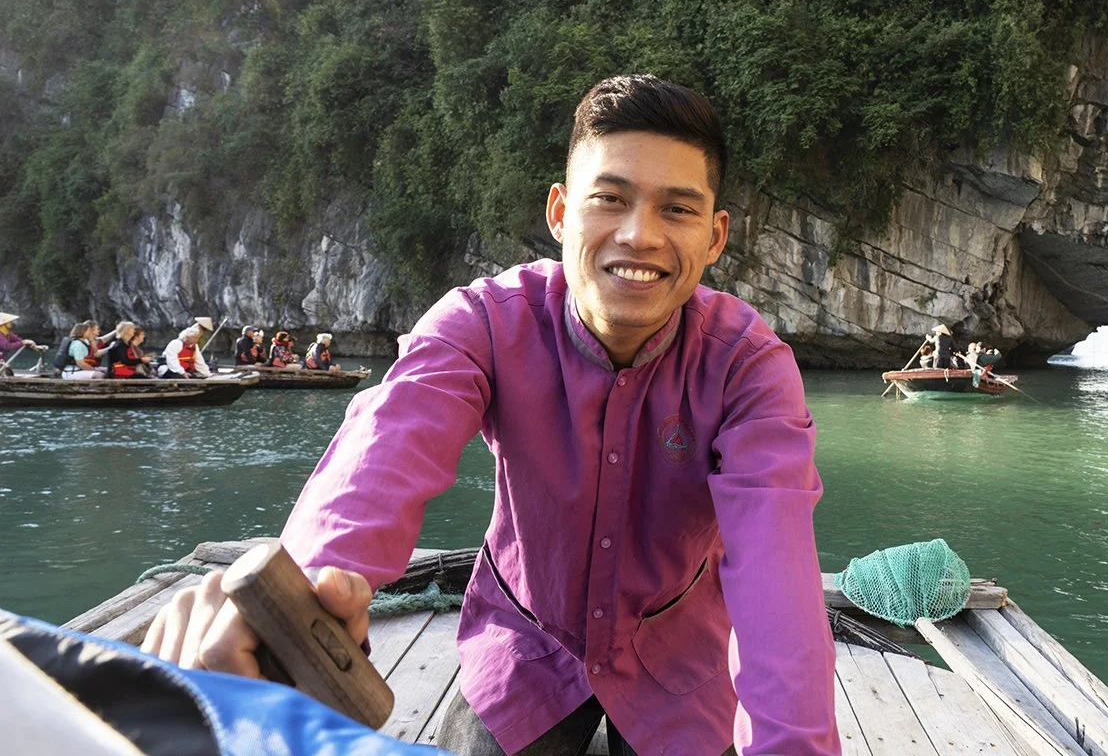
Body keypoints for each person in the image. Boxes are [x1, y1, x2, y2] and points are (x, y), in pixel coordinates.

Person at [143, 74, 840, 756]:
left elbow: (776, 563)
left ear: (715, 237)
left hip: (678, 650)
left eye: (677, 210)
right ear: (561, 212)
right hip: (527, 640)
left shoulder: (749, 367)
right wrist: (301, 595)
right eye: (611, 198)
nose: (640, 235)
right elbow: (387, 448)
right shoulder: (482, 324)